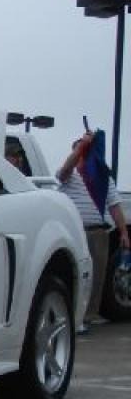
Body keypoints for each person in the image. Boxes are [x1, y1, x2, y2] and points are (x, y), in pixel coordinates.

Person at [56, 131, 130, 322]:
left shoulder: (103, 178)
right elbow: (64, 170)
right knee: (75, 274)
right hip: (75, 231)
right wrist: (82, 144)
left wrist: (123, 232)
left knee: (96, 276)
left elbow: (114, 206)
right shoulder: (69, 176)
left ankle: (87, 316)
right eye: (78, 149)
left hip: (98, 232)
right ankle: (71, 316)